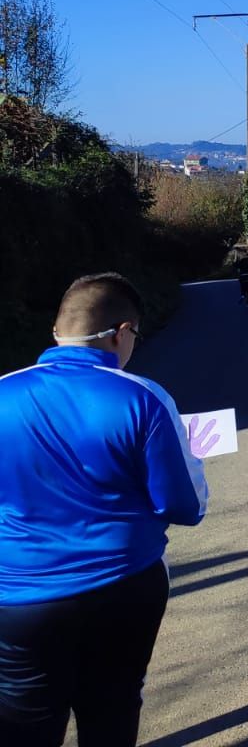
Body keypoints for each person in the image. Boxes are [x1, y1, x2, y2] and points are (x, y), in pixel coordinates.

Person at [0, 273, 208, 746]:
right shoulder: (142, 396)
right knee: (111, 708)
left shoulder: (3, 392)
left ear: (57, 332)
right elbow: (185, 505)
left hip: (19, 596)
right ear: (122, 331)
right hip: (123, 585)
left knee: (23, 720)